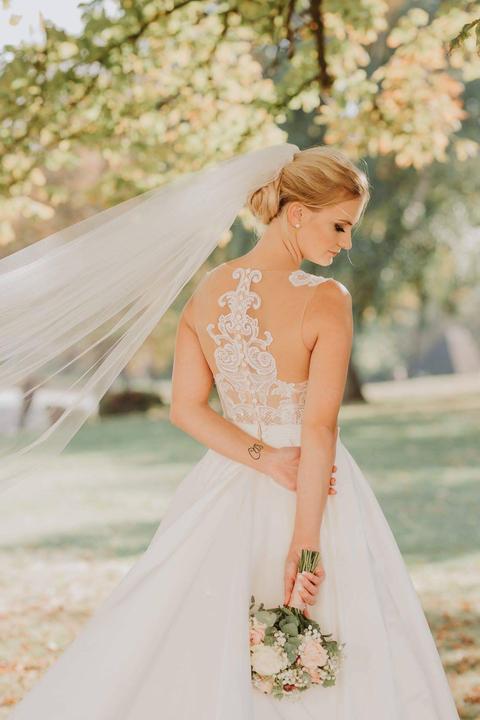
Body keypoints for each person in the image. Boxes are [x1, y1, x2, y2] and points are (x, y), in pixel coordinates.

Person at [7, 146, 460, 719]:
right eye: (340, 225)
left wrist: (262, 456)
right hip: (313, 489)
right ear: (297, 213)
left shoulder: (206, 294)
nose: (346, 243)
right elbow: (318, 428)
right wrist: (306, 545)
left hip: (224, 484)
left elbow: (186, 409)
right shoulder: (327, 300)